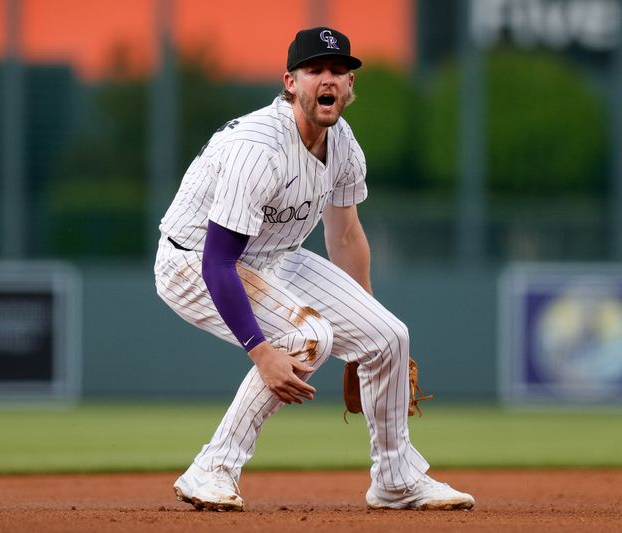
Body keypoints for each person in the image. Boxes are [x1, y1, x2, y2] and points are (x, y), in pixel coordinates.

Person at [154, 26, 475, 512]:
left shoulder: (342, 143)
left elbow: (345, 235)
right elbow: (218, 260)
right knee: (308, 337)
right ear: (291, 82)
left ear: (349, 88)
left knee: (388, 336)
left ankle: (396, 479)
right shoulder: (258, 150)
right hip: (193, 260)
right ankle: (213, 468)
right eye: (315, 70)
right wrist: (261, 353)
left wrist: (361, 331)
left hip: (274, 256)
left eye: (339, 71)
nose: (328, 79)